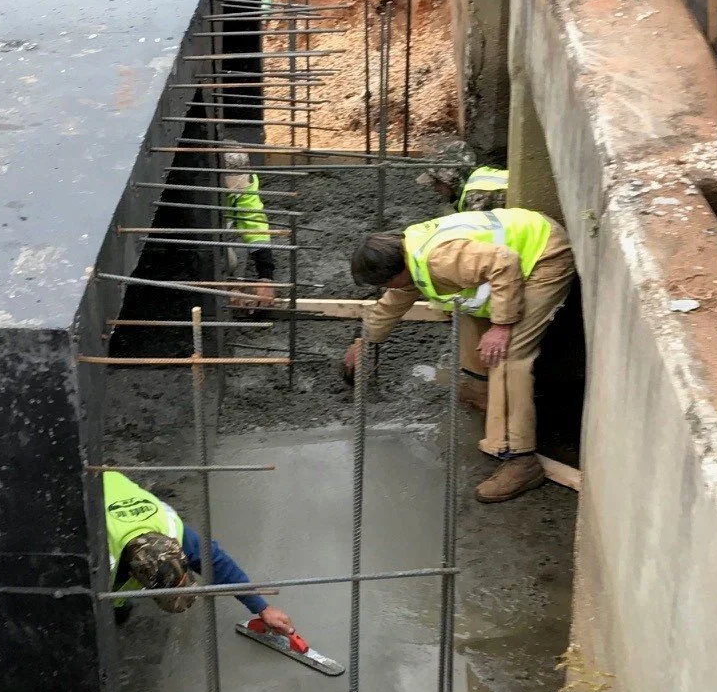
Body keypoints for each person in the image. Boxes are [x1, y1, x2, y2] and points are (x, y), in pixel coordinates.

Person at [344, 208, 576, 504]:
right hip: (513, 257)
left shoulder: (439, 261)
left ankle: (521, 459)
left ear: (396, 272)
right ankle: (483, 392)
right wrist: (366, 340)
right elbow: (395, 301)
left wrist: (502, 326)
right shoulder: (409, 253)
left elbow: (505, 262)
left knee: (511, 353)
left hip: (544, 257)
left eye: (386, 283)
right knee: (467, 311)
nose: (387, 289)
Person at [104, 470, 297, 634]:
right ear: (137, 578)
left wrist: (261, 607)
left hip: (111, 483)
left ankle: (117, 607)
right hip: (87, 491)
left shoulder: (173, 530)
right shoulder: (102, 558)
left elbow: (217, 563)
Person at [222, 148, 276, 314]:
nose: (239, 189)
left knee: (230, 260)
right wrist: (227, 285)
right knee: (228, 262)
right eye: (235, 186)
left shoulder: (245, 182)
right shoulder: (201, 188)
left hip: (220, 230)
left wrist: (265, 277)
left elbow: (254, 225)